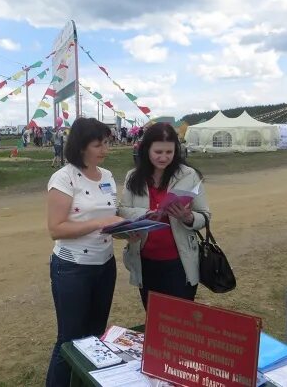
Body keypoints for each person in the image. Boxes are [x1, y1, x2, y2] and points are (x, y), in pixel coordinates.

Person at [45, 117, 125, 387]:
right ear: (81, 147)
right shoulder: (63, 178)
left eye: (106, 143)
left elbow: (110, 216)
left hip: (105, 264)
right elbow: (56, 229)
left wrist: (128, 228)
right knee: (69, 340)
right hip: (72, 268)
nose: (105, 150)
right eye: (98, 144)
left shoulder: (108, 177)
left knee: (95, 336)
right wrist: (101, 223)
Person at [119, 122, 211, 309]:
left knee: (179, 320)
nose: (163, 157)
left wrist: (188, 217)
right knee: (154, 318)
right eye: (158, 152)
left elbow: (205, 215)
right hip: (145, 262)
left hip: (180, 263)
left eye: (169, 152)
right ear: (146, 150)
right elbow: (122, 210)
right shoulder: (133, 177)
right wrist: (145, 215)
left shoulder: (189, 175)